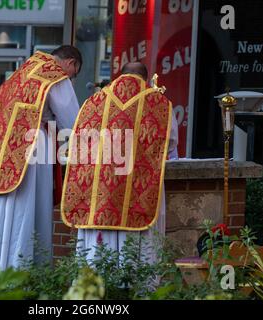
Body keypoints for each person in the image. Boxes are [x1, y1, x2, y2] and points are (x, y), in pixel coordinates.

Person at [0, 45, 82, 284]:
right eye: (74, 76)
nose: (71, 79)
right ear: (71, 64)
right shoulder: (55, 75)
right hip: (32, 146)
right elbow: (71, 122)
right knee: (26, 205)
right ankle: (20, 271)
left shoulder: (22, 71)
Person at [61, 62, 178, 269]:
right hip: (137, 191)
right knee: (139, 256)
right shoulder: (158, 103)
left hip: (99, 199)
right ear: (145, 77)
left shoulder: (93, 102)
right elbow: (169, 145)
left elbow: (77, 145)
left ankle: (94, 284)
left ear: (119, 75)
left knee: (96, 259)